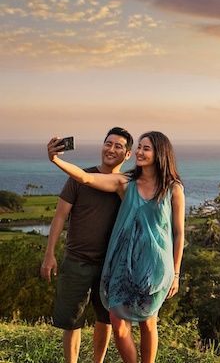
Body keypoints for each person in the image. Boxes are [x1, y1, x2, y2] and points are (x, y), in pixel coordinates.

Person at [47, 131, 185, 363]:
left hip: (156, 267)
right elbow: (86, 178)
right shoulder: (126, 182)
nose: (140, 152)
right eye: (139, 147)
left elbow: (179, 233)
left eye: (146, 148)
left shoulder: (173, 188)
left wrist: (176, 274)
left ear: (160, 153)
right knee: (119, 326)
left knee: (148, 323)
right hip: (123, 265)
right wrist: (56, 160)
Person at [41, 127, 134, 363]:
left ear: (128, 155)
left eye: (118, 146)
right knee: (72, 322)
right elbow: (59, 217)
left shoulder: (128, 186)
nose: (111, 149)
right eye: (108, 143)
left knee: (105, 320)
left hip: (109, 266)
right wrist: (49, 254)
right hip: (76, 261)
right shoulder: (79, 178)